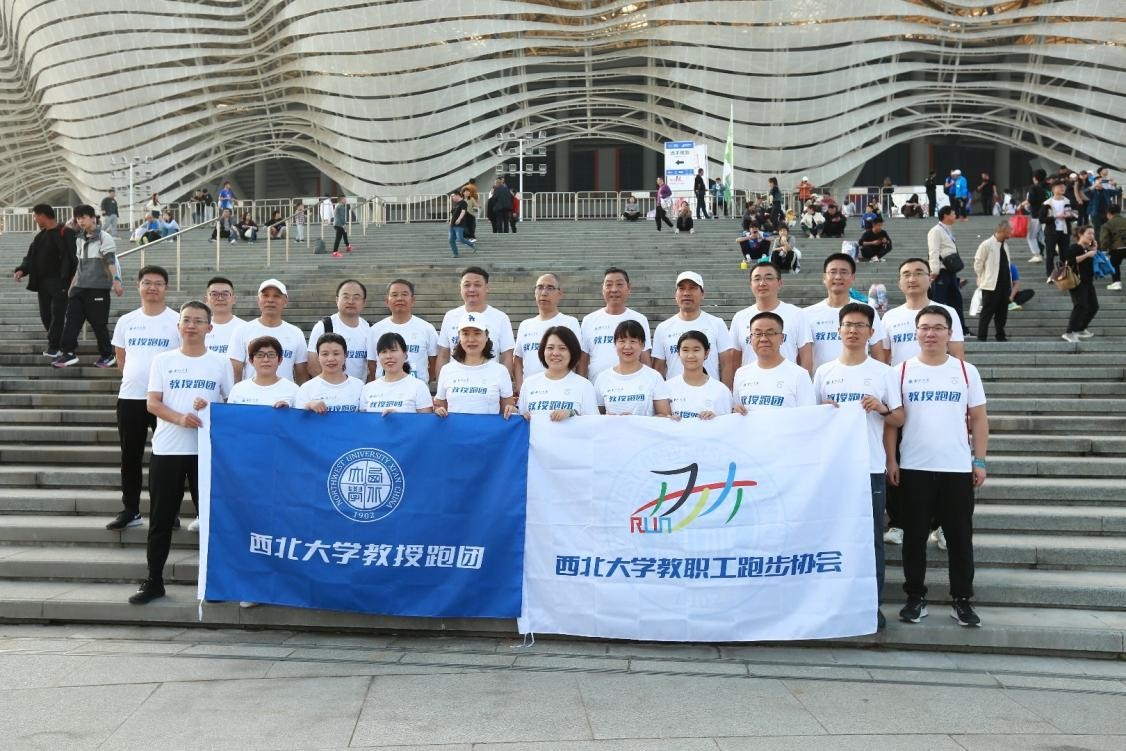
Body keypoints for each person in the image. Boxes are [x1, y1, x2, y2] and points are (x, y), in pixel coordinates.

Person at [886, 305, 989, 628]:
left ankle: (962, 600)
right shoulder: (900, 371)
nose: (930, 333)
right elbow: (892, 422)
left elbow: (979, 418)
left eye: (938, 328)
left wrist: (979, 459)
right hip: (913, 467)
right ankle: (915, 598)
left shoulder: (966, 371)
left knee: (960, 538)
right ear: (916, 333)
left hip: (956, 468)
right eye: (925, 327)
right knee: (914, 538)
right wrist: (891, 460)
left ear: (949, 333)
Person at [128, 300, 233, 605]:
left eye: (198, 321)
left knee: (212, 521)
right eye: (186, 320)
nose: (191, 325)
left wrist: (210, 407)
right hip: (168, 450)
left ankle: (215, 582)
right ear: (178, 325)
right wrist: (180, 419)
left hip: (206, 452)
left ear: (209, 328)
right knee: (161, 520)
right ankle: (154, 581)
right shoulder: (163, 360)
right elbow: (152, 403)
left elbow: (231, 404)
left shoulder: (220, 362)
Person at [813, 302, 905, 629]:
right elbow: (810, 421)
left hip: (870, 468)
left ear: (870, 332)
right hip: (834, 469)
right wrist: (823, 410)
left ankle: (870, 605)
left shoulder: (883, 372)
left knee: (871, 539)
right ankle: (833, 602)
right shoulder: (824, 372)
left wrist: (881, 408)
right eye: (848, 325)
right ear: (838, 330)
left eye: (860, 326)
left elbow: (899, 418)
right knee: (831, 536)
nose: (853, 330)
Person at [104, 266, 181, 531]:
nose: (152, 288)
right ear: (138, 286)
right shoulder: (126, 321)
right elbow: (122, 360)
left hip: (166, 401)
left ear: (166, 288)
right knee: (130, 456)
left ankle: (168, 512)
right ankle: (131, 510)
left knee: (168, 458)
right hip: (131, 397)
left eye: (158, 283)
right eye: (147, 282)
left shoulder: (177, 321)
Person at [51, 205, 123, 369]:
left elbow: (111, 261)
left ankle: (107, 355)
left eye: (83, 217)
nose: (80, 221)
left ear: (93, 218)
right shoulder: (79, 239)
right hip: (80, 288)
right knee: (71, 321)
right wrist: (73, 285)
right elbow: (80, 265)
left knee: (98, 324)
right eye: (78, 218)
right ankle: (68, 353)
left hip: (98, 288)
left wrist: (116, 280)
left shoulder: (104, 237)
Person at [805, 254, 889, 371]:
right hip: (821, 381)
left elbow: (878, 354)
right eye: (833, 272)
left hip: (859, 379)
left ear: (853, 277)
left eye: (844, 272)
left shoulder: (867, 311)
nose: (838, 277)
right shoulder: (807, 314)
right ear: (824, 277)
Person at [651, 271, 735, 387]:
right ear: (675, 295)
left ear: (702, 294)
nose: (686, 293)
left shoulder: (717, 324)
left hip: (709, 393)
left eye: (692, 288)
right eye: (681, 288)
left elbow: (727, 364)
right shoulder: (663, 328)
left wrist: (727, 393)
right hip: (674, 394)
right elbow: (658, 368)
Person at [13, 204, 74, 358]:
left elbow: (74, 257)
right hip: (42, 283)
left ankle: (54, 347)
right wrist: (22, 270)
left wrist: (72, 279)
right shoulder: (40, 237)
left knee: (57, 314)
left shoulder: (65, 232)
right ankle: (59, 344)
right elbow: (30, 257)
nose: (34, 219)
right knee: (46, 315)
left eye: (35, 216)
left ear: (42, 215)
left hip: (60, 282)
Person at [730, 261, 813, 375]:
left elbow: (805, 355)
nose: (762, 283)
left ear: (779, 283)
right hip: (750, 382)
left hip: (787, 381)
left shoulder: (797, 314)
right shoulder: (740, 317)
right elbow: (734, 358)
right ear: (751, 284)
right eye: (757, 279)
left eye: (768, 278)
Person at [881, 258, 966, 366]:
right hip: (900, 376)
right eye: (906, 275)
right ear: (899, 284)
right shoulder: (889, 316)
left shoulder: (948, 312)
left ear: (930, 279)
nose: (912, 279)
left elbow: (957, 355)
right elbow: (883, 359)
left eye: (919, 273)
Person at [437, 266, 516, 380]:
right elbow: (443, 355)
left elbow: (507, 357)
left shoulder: (501, 318)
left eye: (477, 285)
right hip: (456, 383)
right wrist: (441, 384)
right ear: (460, 288)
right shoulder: (450, 316)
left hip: (488, 382)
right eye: (467, 285)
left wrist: (504, 384)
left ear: (487, 288)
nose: (472, 289)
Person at [227, 278, 309, 384]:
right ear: (258, 300)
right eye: (265, 295)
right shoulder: (242, 331)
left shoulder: (296, 333)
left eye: (276, 296)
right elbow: (234, 372)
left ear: (285, 301)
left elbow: (302, 374)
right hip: (251, 393)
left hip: (285, 393)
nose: (270, 300)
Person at [514, 273, 584, 396]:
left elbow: (578, 357)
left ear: (560, 294)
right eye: (540, 287)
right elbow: (518, 359)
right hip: (531, 392)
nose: (544, 293)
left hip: (562, 390)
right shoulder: (525, 325)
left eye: (550, 288)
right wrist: (520, 385)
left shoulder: (569, 322)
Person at [732, 312, 815, 411]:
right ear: (750, 338)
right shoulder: (741, 374)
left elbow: (808, 416)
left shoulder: (799, 375)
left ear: (782, 338)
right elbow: (736, 410)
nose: (763, 339)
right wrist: (736, 411)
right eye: (758, 334)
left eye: (770, 333)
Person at [434, 313, 515, 416]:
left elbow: (508, 411)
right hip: (455, 427)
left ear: (486, 336)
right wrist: (437, 410)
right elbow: (440, 406)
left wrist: (512, 410)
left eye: (477, 333)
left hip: (488, 427)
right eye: (465, 334)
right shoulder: (447, 370)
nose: (471, 339)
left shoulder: (500, 371)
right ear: (459, 336)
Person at [580, 267, 651, 381]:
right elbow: (583, 359)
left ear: (629, 288)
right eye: (609, 285)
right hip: (596, 386)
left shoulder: (640, 319)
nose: (614, 289)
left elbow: (645, 357)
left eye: (619, 284)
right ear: (603, 288)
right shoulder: (589, 320)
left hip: (632, 384)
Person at [516, 326, 597, 420]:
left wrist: (572, 413)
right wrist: (514, 412)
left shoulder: (584, 386)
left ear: (572, 352)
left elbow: (594, 424)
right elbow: (520, 421)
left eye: (562, 348)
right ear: (543, 351)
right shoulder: (529, 384)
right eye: (550, 348)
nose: (555, 353)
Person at [367, 279, 439, 383]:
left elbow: (434, 363)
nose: (399, 298)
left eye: (404, 294)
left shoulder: (427, 328)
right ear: (386, 301)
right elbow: (372, 364)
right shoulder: (375, 330)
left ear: (413, 300)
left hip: (416, 389)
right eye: (394, 295)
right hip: (385, 388)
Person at [594, 320, 670, 416]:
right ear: (615, 344)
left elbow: (665, 415)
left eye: (633, 341)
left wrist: (636, 421)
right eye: (622, 341)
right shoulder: (603, 378)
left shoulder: (654, 377)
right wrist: (608, 418)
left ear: (642, 345)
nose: (627, 346)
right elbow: (596, 416)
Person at [305, 280, 370, 380]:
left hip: (360, 388)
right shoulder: (324, 326)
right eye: (346, 297)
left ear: (364, 302)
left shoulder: (370, 329)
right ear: (337, 300)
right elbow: (313, 365)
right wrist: (334, 386)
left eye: (356, 297)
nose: (351, 301)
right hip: (329, 387)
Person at [664, 330, 734, 420]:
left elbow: (727, 424)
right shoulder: (666, 388)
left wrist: (715, 419)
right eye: (685, 350)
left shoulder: (721, 391)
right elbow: (659, 420)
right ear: (678, 353)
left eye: (696, 350)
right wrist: (667, 419)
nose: (690, 355)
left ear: (706, 353)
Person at [361, 332, 435, 414]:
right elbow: (363, 420)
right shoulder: (368, 389)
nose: (388, 356)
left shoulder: (419, 387)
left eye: (393, 350)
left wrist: (399, 418)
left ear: (405, 355)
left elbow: (425, 421)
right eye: (384, 352)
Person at [295, 333, 364, 412]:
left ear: (345, 355)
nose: (331, 359)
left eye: (336, 354)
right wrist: (308, 406)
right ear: (318, 357)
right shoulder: (307, 388)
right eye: (325, 354)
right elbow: (298, 417)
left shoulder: (359, 386)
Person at [227, 336, 299, 408]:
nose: (266, 360)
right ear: (251, 361)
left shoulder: (294, 390)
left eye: (271, 355)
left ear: (280, 360)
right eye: (260, 355)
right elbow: (231, 414)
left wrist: (288, 411)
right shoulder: (238, 390)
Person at [972, 220, 1014, 342]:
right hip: (990, 285)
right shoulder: (986, 244)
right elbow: (978, 263)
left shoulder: (1005, 245)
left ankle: (1000, 335)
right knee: (987, 313)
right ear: (1002, 231)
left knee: (1002, 313)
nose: (1011, 233)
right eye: (1009, 231)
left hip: (1004, 285)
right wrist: (982, 277)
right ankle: (981, 337)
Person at [926, 206, 966, 333]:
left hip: (950, 272)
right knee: (938, 302)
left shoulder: (947, 230)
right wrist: (934, 271)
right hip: (941, 272)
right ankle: (934, 328)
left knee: (956, 301)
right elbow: (933, 251)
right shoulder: (935, 231)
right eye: (953, 213)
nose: (955, 216)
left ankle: (961, 329)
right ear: (945, 216)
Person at [1060, 226, 1100, 343]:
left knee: (1094, 306)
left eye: (1093, 234)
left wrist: (1094, 250)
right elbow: (1069, 261)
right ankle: (1069, 332)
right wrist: (1087, 255)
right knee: (1080, 305)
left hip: (1088, 282)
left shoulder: (1087, 249)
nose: (1092, 236)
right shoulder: (1075, 247)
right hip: (1077, 282)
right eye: (1089, 233)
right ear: (1080, 234)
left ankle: (1080, 329)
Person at [1042, 179, 1077, 280]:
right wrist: (1056, 216)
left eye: (1063, 187)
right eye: (1059, 187)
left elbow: (1075, 214)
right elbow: (1042, 219)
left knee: (1064, 254)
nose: (1062, 188)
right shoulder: (1047, 203)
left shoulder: (1068, 201)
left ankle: (1062, 273)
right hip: (1051, 231)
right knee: (1050, 254)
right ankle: (1050, 274)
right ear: (1053, 189)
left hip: (1064, 231)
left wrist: (1069, 216)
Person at [202, 277, 244, 359]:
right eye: (214, 294)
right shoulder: (199, 329)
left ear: (234, 299)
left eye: (225, 294)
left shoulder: (245, 328)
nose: (220, 298)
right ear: (206, 300)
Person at [1021, 169, 1049, 263]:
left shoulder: (1034, 187)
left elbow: (1030, 200)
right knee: (1041, 235)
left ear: (1035, 178)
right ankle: (1054, 247)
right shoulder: (1048, 187)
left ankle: (1037, 255)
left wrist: (1020, 205)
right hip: (1047, 213)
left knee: (1031, 236)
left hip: (1037, 214)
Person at [1100, 204, 1126, 291]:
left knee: (1114, 263)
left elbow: (1105, 239)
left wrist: (1104, 250)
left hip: (1118, 248)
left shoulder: (1107, 224)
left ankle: (1116, 282)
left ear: (1108, 213)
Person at [447, 189, 477, 257]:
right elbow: (453, 214)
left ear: (457, 195)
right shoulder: (455, 204)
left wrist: (459, 219)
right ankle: (455, 254)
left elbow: (463, 211)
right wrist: (450, 221)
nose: (452, 198)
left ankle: (472, 245)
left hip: (459, 224)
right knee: (451, 240)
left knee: (460, 238)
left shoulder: (463, 203)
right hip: (452, 225)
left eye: (453, 196)